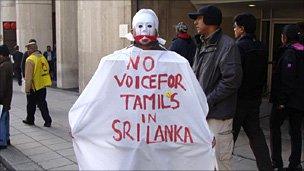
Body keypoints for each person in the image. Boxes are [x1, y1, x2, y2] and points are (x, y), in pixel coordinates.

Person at [69, 9, 216, 170]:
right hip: (127, 143)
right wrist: (80, 125)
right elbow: (94, 98)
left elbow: (194, 102)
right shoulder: (113, 62)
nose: (145, 30)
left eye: (148, 26)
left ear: (156, 30)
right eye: (140, 26)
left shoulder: (177, 63)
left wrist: (203, 133)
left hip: (162, 143)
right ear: (132, 30)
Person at [188, 5, 242, 170]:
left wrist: (206, 101)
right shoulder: (201, 44)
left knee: (220, 163)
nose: (195, 22)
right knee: (203, 161)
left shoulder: (227, 45)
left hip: (218, 117)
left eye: (199, 18)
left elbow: (231, 81)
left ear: (209, 20)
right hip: (203, 115)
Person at [232, 13, 272, 171]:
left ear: (242, 29)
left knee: (229, 138)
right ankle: (266, 167)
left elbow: (234, 74)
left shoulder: (238, 47)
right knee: (256, 135)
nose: (234, 30)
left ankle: (219, 166)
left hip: (239, 99)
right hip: (254, 99)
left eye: (235, 27)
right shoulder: (261, 46)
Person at [270, 25, 304, 171]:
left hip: (287, 101)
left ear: (285, 37)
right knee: (296, 132)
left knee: (275, 127)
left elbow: (287, 78)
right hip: (300, 101)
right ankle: (295, 163)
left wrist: (282, 101)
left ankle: (277, 162)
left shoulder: (289, 53)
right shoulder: (301, 51)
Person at [22, 39, 52, 127]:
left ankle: (30, 120)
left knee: (30, 105)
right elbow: (47, 70)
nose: (27, 51)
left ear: (32, 50)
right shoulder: (42, 58)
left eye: (28, 49)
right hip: (42, 85)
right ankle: (48, 121)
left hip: (33, 86)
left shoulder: (30, 59)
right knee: (43, 104)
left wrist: (27, 89)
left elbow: (28, 77)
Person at [0, 45, 13, 149]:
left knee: (2, 119)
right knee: (5, 118)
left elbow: (2, 85)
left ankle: (2, 141)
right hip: (7, 98)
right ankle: (7, 138)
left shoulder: (3, 66)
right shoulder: (8, 64)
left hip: (3, 98)